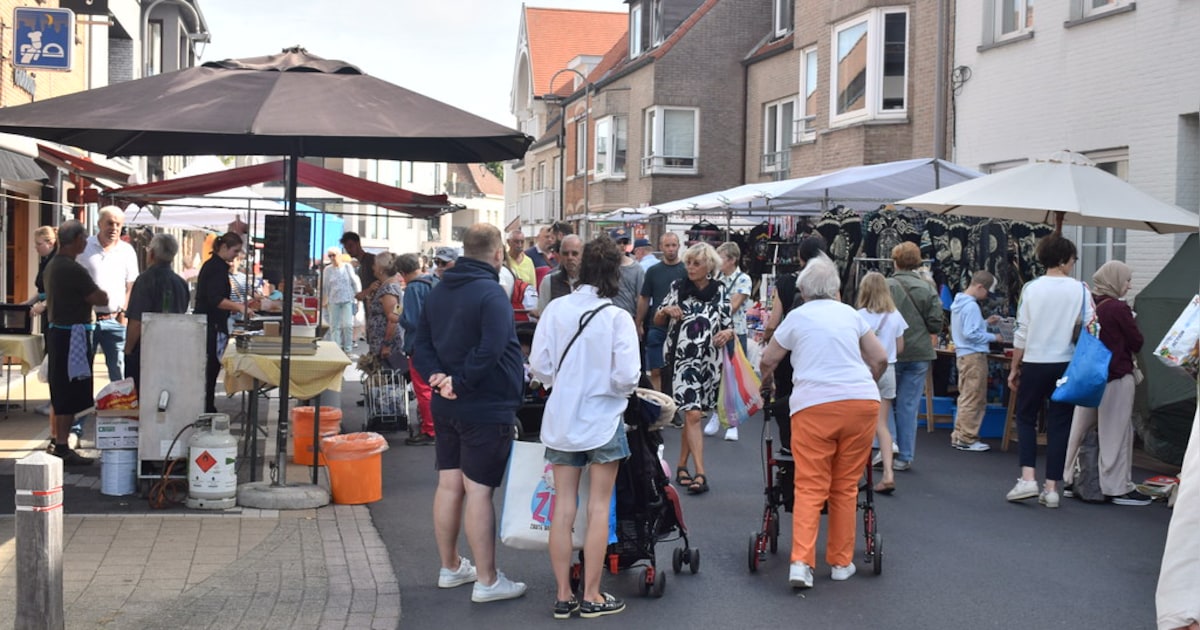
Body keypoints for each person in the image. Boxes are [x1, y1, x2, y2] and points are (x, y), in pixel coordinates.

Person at [412, 223, 527, 603]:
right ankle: (488, 580)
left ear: (464, 251)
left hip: (447, 402)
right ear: (498, 254)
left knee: (449, 484)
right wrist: (458, 380)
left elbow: (420, 343)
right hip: (484, 403)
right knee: (479, 490)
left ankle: (450, 566)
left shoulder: (438, 289)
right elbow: (492, 349)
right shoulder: (491, 294)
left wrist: (439, 377)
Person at [759, 258, 887, 589]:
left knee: (810, 484)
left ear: (802, 291)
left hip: (814, 405)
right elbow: (880, 358)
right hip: (860, 403)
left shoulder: (796, 317)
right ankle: (841, 563)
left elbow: (769, 359)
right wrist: (867, 381)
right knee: (845, 485)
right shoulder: (851, 315)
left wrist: (767, 384)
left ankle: (801, 562)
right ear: (836, 290)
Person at [529, 235, 639, 619]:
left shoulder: (556, 309)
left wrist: (564, 381)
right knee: (598, 507)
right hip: (604, 420)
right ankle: (592, 594)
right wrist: (607, 388)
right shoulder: (617, 317)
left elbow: (539, 368)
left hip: (561, 418)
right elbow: (627, 377)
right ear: (614, 275)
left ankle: (563, 594)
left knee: (563, 506)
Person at [1005, 233, 1091, 509]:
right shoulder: (1080, 290)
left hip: (1034, 360)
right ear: (1065, 260)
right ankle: (1052, 487)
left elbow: (1022, 331)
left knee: (1027, 417)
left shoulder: (1031, 288)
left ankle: (1027, 477)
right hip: (1066, 362)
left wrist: (1014, 366)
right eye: (1073, 259)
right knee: (1059, 424)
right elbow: (1092, 328)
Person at [1062, 261, 1151, 506]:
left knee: (1079, 429)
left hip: (1088, 376)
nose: (1129, 285)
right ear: (1115, 281)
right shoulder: (1118, 309)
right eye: (1126, 280)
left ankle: (1071, 477)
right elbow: (1136, 342)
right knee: (1117, 432)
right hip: (1115, 376)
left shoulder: (1090, 303)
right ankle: (1115, 486)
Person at [654, 243, 734, 495]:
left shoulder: (720, 290)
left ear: (709, 265)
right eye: (688, 262)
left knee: (694, 415)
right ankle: (701, 473)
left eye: (696, 263)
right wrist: (667, 310)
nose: (690, 267)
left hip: (709, 360)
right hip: (682, 358)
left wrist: (726, 333)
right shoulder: (678, 288)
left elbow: (728, 325)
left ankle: (680, 466)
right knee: (692, 414)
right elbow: (657, 318)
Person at [43, 220, 108, 466]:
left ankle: (58, 441)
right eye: (83, 238)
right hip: (71, 334)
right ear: (77, 239)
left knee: (61, 388)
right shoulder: (71, 268)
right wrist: (101, 294)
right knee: (68, 390)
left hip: (60, 332)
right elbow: (99, 297)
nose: (85, 242)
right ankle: (61, 444)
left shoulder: (54, 264)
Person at [763, 235, 829, 452]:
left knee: (786, 399)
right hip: (819, 350)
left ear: (800, 256)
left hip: (789, 349)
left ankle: (789, 446)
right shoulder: (829, 283)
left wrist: (767, 339)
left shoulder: (785, 281)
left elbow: (774, 321)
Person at [886, 241, 943, 472]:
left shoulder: (886, 285)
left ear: (895, 260)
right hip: (919, 351)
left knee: (886, 401)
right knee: (909, 405)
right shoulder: (926, 287)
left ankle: (888, 447)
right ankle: (905, 456)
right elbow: (936, 322)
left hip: (890, 351)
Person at [856, 271, 907, 494]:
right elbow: (901, 347)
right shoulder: (895, 315)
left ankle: (855, 474)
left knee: (858, 424)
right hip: (889, 370)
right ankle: (888, 473)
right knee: (882, 425)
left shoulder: (858, 315)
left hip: (864, 371)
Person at [78, 206, 139, 383]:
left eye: (118, 224)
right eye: (109, 223)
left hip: (115, 320)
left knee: (118, 370)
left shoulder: (127, 251)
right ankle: (85, 408)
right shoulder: (84, 247)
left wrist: (125, 314)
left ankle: (118, 408)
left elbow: (131, 285)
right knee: (84, 370)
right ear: (99, 224)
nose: (114, 228)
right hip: (87, 320)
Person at [123, 234, 190, 393]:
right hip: (173, 350)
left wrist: (128, 349)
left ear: (151, 253)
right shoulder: (180, 283)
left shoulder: (145, 280)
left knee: (142, 397)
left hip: (147, 351)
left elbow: (137, 321)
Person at [196, 232, 253, 413]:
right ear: (224, 248)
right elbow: (216, 299)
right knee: (211, 367)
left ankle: (208, 405)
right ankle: (207, 407)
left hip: (214, 323)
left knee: (212, 368)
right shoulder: (216, 268)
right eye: (235, 251)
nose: (237, 255)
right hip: (211, 324)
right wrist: (239, 307)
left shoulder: (216, 266)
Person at [950, 270, 1004, 452]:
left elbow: (968, 328)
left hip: (963, 354)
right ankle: (967, 437)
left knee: (965, 395)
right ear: (980, 287)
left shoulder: (959, 303)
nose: (987, 295)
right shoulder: (972, 306)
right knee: (974, 397)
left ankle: (959, 435)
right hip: (974, 355)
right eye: (987, 291)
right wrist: (994, 337)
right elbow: (971, 333)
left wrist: (985, 322)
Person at [708, 242, 752, 441]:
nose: (717, 263)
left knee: (732, 376)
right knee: (716, 375)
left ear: (732, 260)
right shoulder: (716, 279)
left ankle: (733, 422)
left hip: (735, 332)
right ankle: (717, 415)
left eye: (721, 259)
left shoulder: (743, 279)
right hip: (716, 331)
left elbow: (733, 306)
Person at [395, 253, 438, 446]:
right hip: (438, 342)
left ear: (402, 273)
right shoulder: (434, 281)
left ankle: (429, 430)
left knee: (423, 389)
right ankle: (437, 426)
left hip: (419, 345)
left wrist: (399, 316)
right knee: (437, 386)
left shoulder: (413, 288)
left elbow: (411, 320)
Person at [636, 233, 686, 393]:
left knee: (674, 369)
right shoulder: (653, 271)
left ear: (679, 246)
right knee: (656, 369)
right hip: (656, 326)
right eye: (667, 245)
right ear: (661, 247)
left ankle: (673, 405)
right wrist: (639, 323)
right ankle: (659, 405)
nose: (671, 249)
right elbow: (644, 298)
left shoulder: (686, 270)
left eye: (674, 245)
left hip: (679, 326)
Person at [29, 226, 56, 416]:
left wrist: (43, 304)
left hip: (55, 314)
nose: (36, 248)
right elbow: (43, 289)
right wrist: (29, 302)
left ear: (50, 242)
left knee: (54, 358)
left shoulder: (56, 262)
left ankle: (55, 403)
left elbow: (58, 290)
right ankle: (52, 400)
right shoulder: (46, 260)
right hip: (48, 313)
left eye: (39, 244)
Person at [366, 252, 405, 371]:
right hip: (381, 341)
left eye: (374, 265)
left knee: (385, 377)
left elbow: (393, 318)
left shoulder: (389, 289)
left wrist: (387, 345)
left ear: (381, 270)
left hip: (384, 342)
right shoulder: (390, 286)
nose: (372, 267)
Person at [322, 247, 361, 355]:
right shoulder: (327, 270)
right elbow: (324, 286)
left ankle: (348, 349)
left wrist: (358, 298)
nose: (332, 258)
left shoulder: (347, 267)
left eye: (333, 255)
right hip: (333, 300)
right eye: (330, 256)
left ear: (339, 255)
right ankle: (336, 349)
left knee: (348, 325)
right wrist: (323, 300)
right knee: (334, 326)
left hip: (347, 299)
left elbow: (354, 282)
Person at [536, 234, 583, 316]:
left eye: (574, 253)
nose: (570, 257)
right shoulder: (549, 282)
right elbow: (543, 317)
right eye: (565, 254)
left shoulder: (592, 282)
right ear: (560, 255)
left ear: (582, 255)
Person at [341, 231, 377, 317]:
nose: (349, 250)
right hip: (370, 309)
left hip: (377, 309)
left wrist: (365, 292)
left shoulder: (371, 260)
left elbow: (381, 281)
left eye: (350, 246)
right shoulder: (361, 264)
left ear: (358, 244)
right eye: (346, 248)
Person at [612, 243, 645, 320]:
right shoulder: (606, 266)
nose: (622, 245)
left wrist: (639, 321)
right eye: (618, 242)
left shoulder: (637, 268)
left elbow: (641, 296)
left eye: (625, 242)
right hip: (609, 315)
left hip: (629, 316)